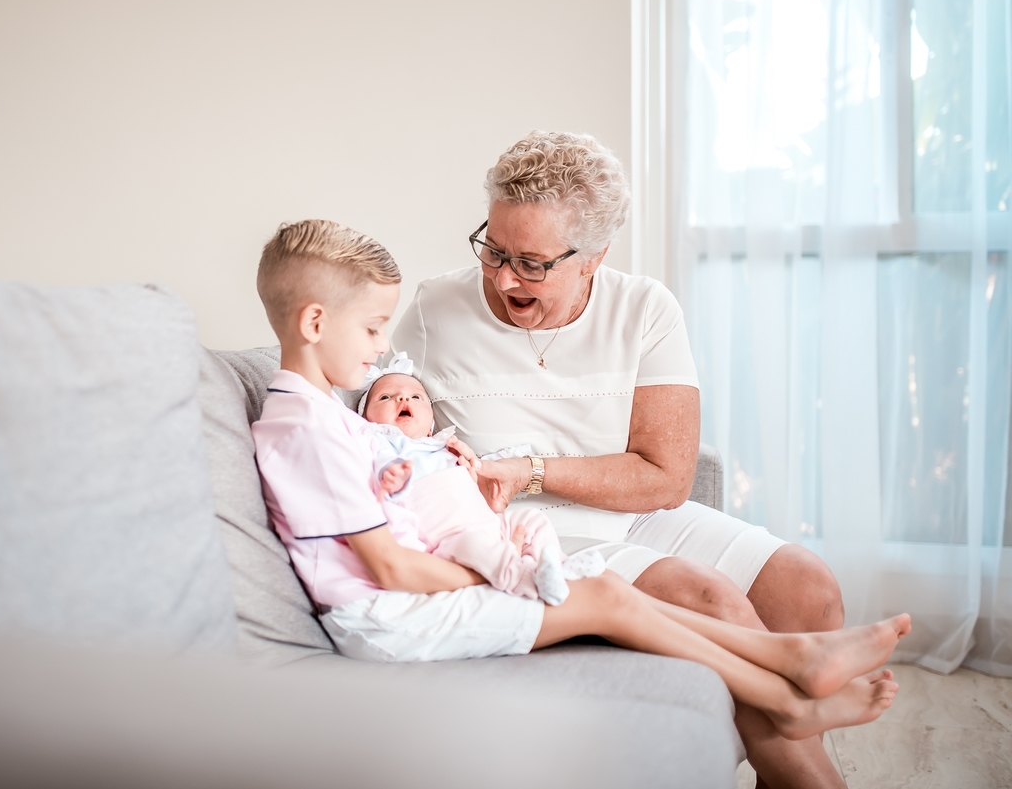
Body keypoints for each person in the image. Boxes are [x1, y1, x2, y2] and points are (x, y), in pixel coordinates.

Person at [250, 217, 908, 745]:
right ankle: (787, 690)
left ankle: (793, 665)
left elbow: (389, 504)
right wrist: (497, 571)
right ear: (314, 323)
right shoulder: (305, 429)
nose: (379, 348)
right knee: (607, 599)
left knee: (610, 592)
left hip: (410, 597)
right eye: (369, 328)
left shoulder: (331, 417)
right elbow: (391, 566)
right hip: (390, 621)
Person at [390, 130, 856, 788]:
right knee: (710, 598)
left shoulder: (644, 309)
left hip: (630, 513)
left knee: (810, 589)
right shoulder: (439, 308)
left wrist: (536, 468)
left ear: (595, 256)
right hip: (523, 530)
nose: (501, 277)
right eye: (493, 249)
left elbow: (666, 477)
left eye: (532, 262)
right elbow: (378, 409)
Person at [358, 364, 603, 605]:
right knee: (475, 546)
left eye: (416, 396)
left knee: (531, 520)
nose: (402, 398)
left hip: (491, 524)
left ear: (431, 425)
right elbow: (376, 462)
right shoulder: (381, 442)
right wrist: (390, 476)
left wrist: (470, 463)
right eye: (386, 397)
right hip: (451, 540)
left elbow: (479, 475)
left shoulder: (445, 445)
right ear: (366, 418)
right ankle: (524, 578)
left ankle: (559, 566)